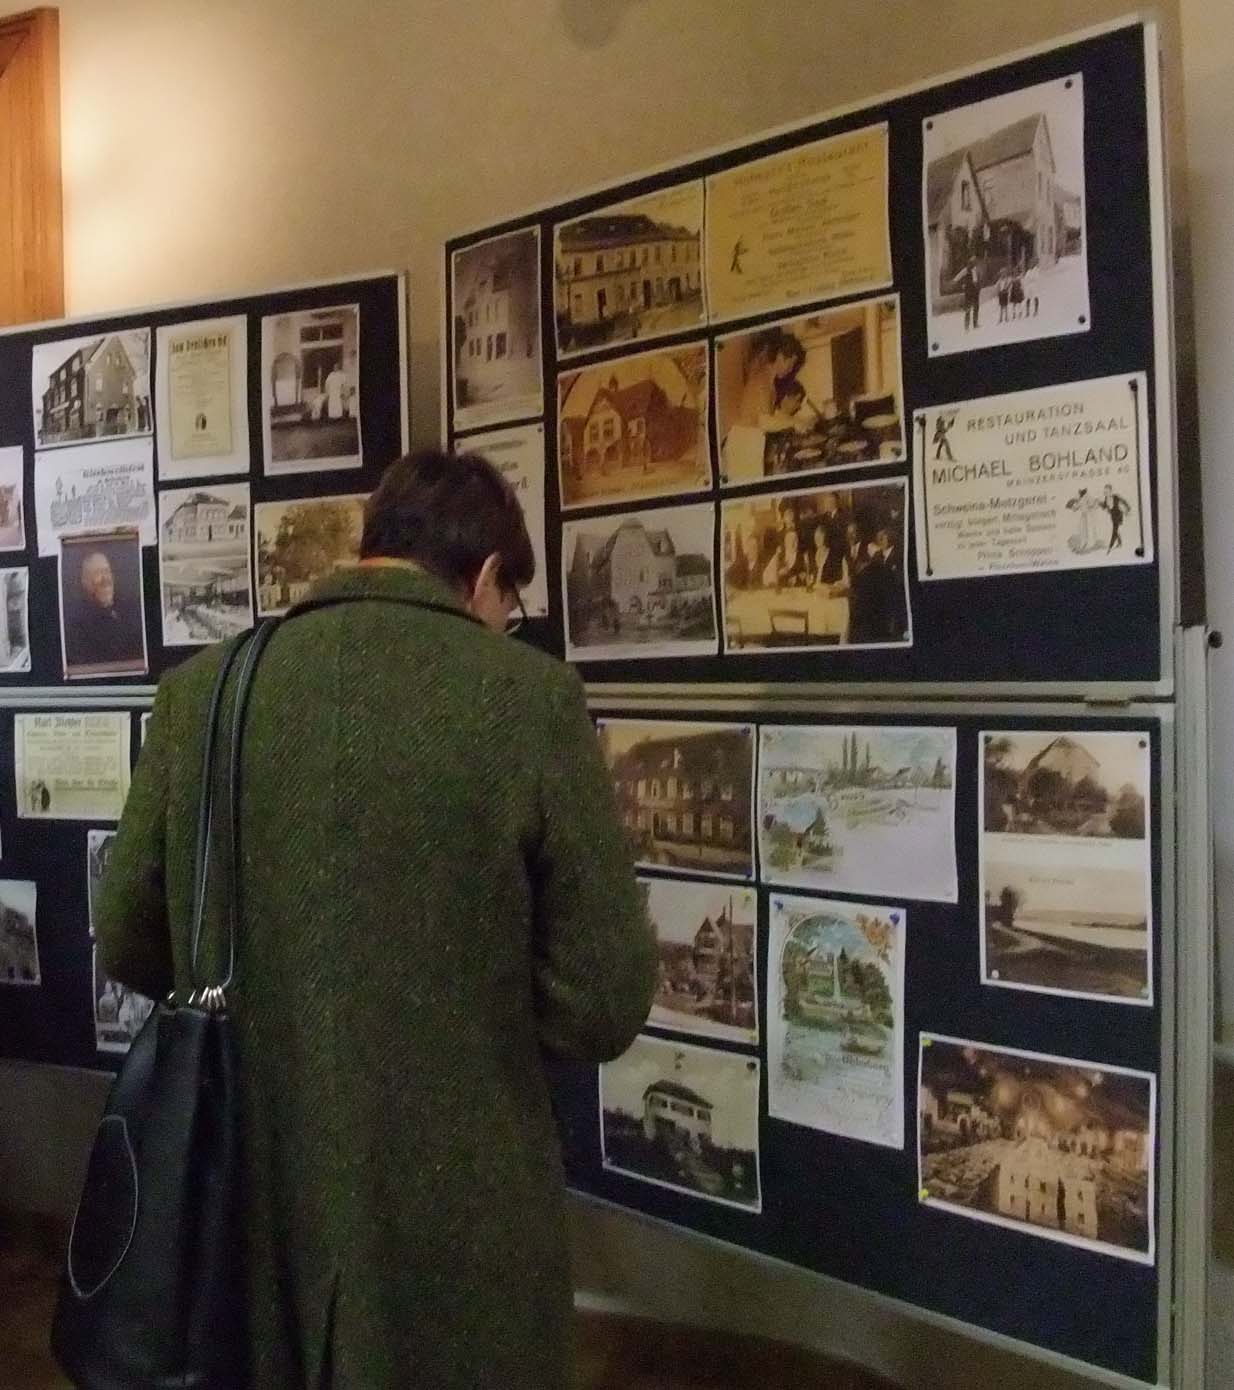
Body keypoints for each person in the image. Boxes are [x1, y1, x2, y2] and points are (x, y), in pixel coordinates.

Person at [95, 447, 657, 1390]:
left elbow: (126, 931)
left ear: (372, 546)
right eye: (509, 605)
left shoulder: (204, 694)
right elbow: (602, 1001)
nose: (503, 626)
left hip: (247, 1201)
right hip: (460, 1223)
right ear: (486, 575)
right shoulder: (529, 701)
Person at [64, 547, 145, 672]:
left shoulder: (132, 609)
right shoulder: (77, 625)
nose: (105, 579)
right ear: (85, 581)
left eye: (107, 571)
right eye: (97, 573)